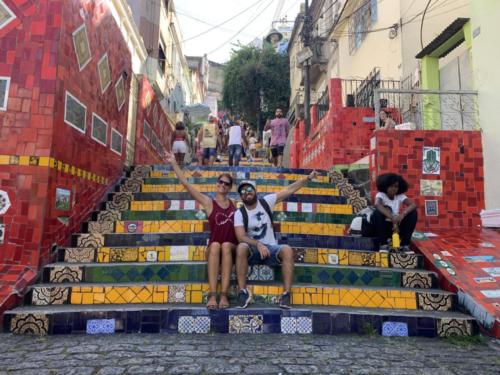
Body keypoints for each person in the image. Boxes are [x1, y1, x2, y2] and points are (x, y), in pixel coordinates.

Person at [234, 170, 319, 309]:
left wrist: (308, 177)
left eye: (249, 189)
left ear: (255, 191)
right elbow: (240, 237)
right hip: (253, 251)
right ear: (240, 196)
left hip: (272, 249)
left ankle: (286, 295)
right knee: (241, 247)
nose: (246, 193)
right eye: (242, 192)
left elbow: (290, 189)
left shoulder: (266, 202)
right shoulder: (239, 213)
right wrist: (258, 244)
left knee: (287, 250)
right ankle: (242, 292)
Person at [164, 151, 237, 309]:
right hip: (214, 246)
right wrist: (174, 164)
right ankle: (212, 294)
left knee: (224, 245)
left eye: (226, 183)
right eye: (221, 182)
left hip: (231, 246)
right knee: (217, 245)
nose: (223, 185)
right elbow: (186, 184)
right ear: (217, 184)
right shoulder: (208, 202)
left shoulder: (235, 204)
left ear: (230, 187)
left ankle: (223, 295)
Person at [372, 173, 417, 253]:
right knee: (377, 213)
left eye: (396, 186)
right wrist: (392, 218)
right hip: (384, 227)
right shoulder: (381, 195)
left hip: (397, 228)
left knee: (413, 213)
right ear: (385, 186)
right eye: (391, 186)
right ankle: (383, 244)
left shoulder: (400, 196)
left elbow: (413, 205)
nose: (394, 188)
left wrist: (402, 215)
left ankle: (405, 245)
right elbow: (377, 204)